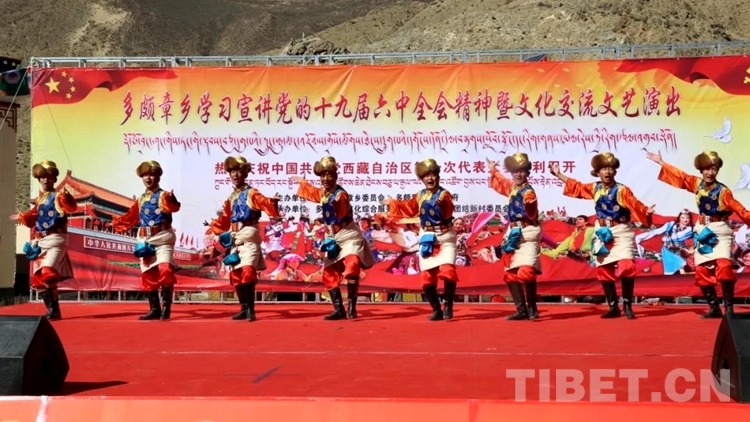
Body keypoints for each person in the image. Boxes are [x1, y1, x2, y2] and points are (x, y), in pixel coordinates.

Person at [549, 152, 654, 319]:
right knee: (604, 269)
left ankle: (627, 305)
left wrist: (645, 210)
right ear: (597, 172)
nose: (608, 172)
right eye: (604, 169)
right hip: (602, 231)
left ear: (615, 171)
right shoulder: (595, 188)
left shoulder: (622, 190)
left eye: (611, 168)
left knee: (627, 266)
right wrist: (558, 174)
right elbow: (577, 187)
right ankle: (613, 307)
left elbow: (634, 203)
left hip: (621, 230)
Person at [646, 150, 750, 318]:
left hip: (720, 231)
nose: (710, 173)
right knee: (701, 270)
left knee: (724, 266)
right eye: (707, 169)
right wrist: (661, 162)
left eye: (713, 169)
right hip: (703, 230)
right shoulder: (697, 184)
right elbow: (681, 176)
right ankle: (714, 308)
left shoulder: (723, 192)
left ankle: (729, 309)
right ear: (701, 170)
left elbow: (741, 210)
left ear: (717, 171)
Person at [290, 156, 375, 320]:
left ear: (335, 176)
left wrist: (336, 204)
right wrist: (302, 183)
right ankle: (339, 309)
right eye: (323, 175)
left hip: (349, 234)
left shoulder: (341, 194)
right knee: (329, 273)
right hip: (334, 236)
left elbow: (341, 208)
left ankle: (352, 307)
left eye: (329, 175)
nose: (326, 179)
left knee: (352, 264)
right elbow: (313, 193)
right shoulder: (323, 192)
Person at [381, 158, 459, 321]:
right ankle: (436, 309)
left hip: (445, 238)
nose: (430, 178)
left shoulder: (444, 194)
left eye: (433, 175)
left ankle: (448, 305)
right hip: (427, 238)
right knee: (427, 278)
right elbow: (408, 208)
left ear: (438, 176)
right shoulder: (420, 195)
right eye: (426, 176)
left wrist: (441, 205)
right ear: (422, 179)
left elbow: (447, 209)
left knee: (448, 271)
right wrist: (392, 203)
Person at [205, 156, 280, 321]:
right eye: (232, 171)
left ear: (245, 173)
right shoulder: (231, 197)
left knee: (247, 271)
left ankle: (251, 310)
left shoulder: (252, 193)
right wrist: (214, 228)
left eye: (238, 171)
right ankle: (243, 308)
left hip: (248, 236)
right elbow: (224, 219)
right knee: (237, 274)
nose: (235, 174)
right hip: (235, 238)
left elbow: (264, 202)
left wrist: (272, 202)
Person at [113, 161, 181, 320]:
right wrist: (116, 223)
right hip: (146, 241)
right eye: (145, 175)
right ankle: (154, 309)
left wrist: (172, 200)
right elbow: (130, 217)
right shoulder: (141, 199)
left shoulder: (164, 196)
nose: (148, 178)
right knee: (148, 275)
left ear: (158, 177)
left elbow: (174, 207)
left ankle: (166, 308)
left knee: (165, 270)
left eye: (151, 175)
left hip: (163, 239)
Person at [10, 160, 77, 320]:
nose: (46, 180)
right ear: (39, 180)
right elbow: (32, 217)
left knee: (48, 273)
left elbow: (71, 207)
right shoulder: (40, 200)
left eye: (49, 177)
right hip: (41, 241)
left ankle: (54, 309)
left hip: (55, 239)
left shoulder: (59, 196)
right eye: (43, 178)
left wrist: (68, 198)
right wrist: (22, 217)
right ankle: (53, 309)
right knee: (38, 280)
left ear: (54, 179)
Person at [487, 153, 541, 320]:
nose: (518, 174)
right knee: (510, 274)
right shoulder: (513, 187)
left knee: (526, 272)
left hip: (528, 233)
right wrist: (493, 170)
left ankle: (532, 308)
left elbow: (532, 211)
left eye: (521, 171)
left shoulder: (528, 192)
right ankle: (521, 310)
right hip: (513, 234)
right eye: (515, 171)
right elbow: (502, 181)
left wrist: (530, 206)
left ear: (527, 173)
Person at [635, 209, 695, 275]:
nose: (685, 220)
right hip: (668, 251)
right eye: (683, 218)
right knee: (672, 271)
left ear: (690, 219)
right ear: (679, 218)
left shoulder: (690, 230)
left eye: (687, 218)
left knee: (683, 266)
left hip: (680, 251)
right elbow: (656, 232)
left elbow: (694, 238)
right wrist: (641, 237)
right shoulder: (671, 225)